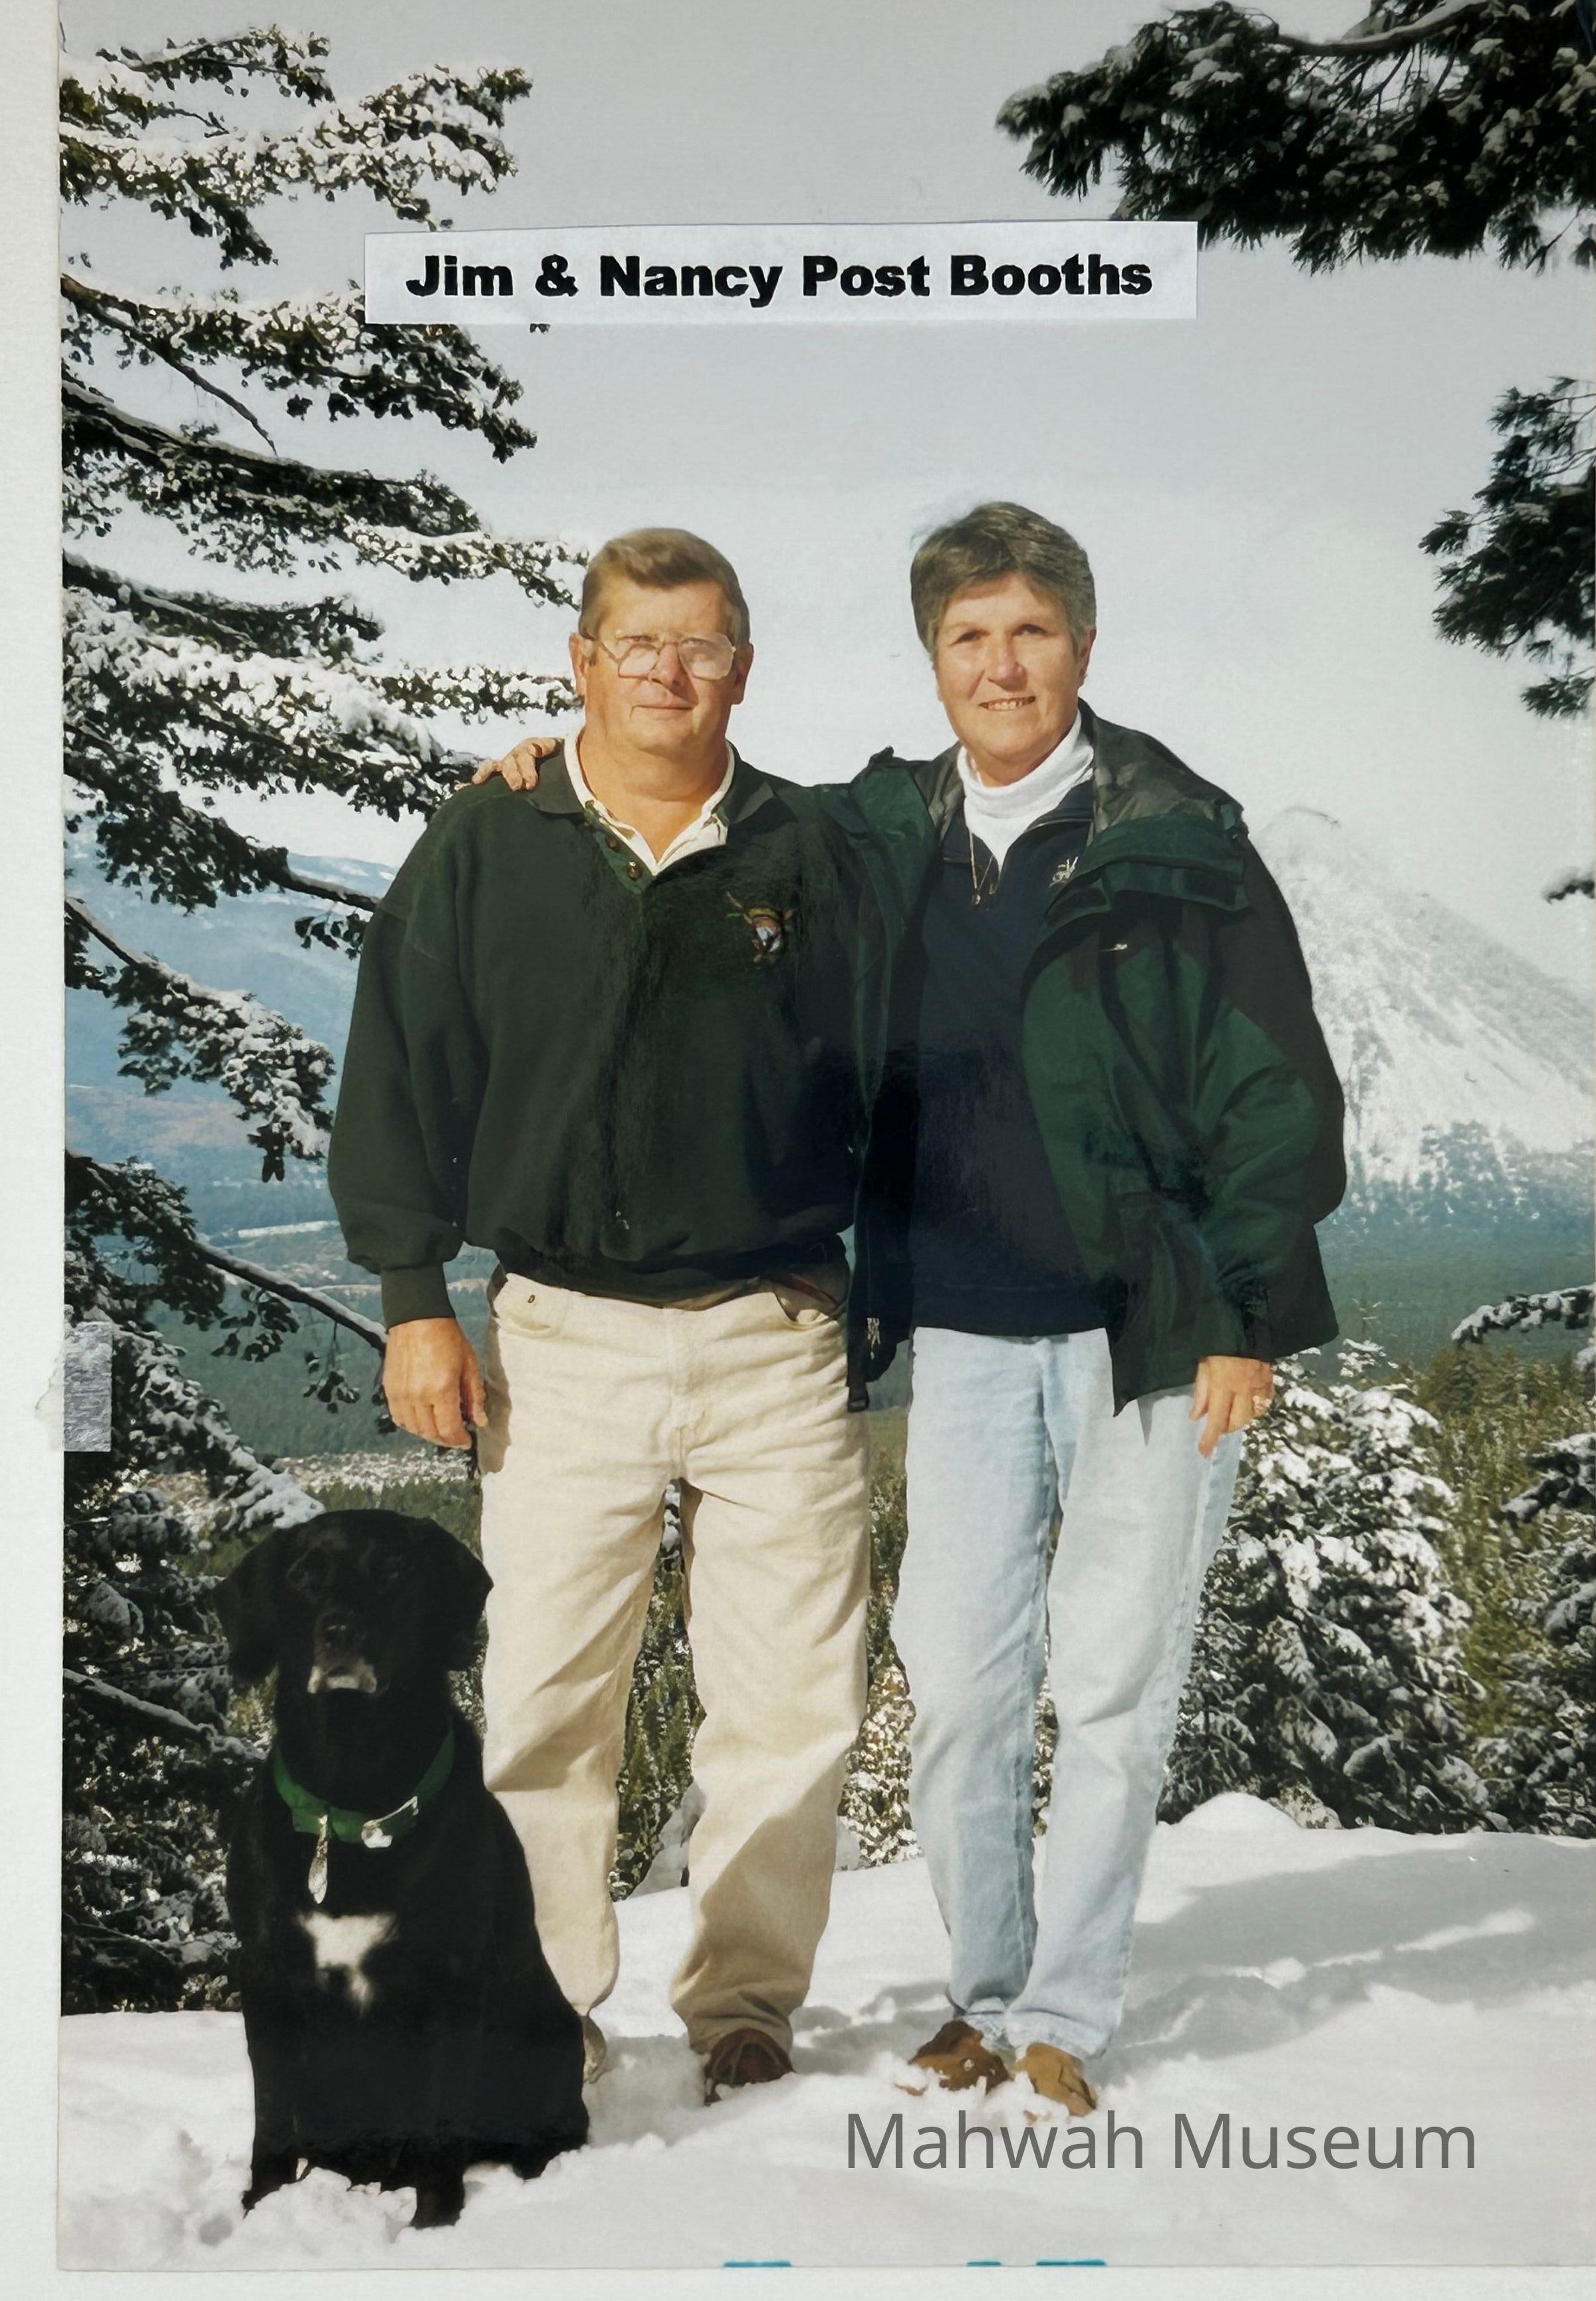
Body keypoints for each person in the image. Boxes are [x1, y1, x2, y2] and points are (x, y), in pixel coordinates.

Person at [477, 500, 1345, 2116]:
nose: (1001, 665)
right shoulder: (883, 831)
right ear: (933, 658)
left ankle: (1065, 2009)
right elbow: (701, 796)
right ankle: (982, 1988)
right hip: (959, 1325)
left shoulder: (1183, 842)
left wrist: (1243, 1310)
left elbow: (1278, 1094)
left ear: (1083, 644)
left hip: (1149, 1332)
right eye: (968, 636)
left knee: (1110, 1679)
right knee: (956, 1682)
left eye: (1031, 631)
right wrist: (555, 773)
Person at [327, 528, 901, 2104]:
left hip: (777, 1331)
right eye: (636, 642)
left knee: (789, 1703)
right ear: (580, 660)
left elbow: (901, 1074)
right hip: (562, 1338)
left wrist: (890, 1286)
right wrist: (411, 1300)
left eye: (700, 643)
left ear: (743, 668)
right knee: (545, 1703)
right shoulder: (489, 840)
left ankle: (746, 2002)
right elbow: (399, 1067)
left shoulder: (812, 851)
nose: (668, 670)